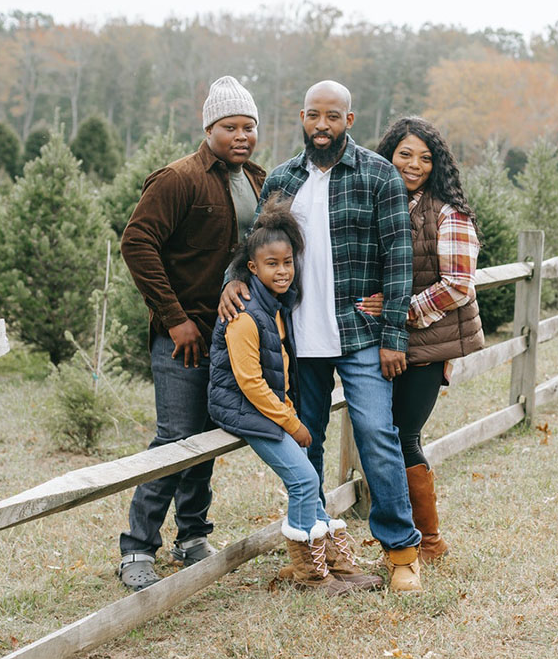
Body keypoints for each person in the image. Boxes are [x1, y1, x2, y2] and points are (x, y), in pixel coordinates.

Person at [219, 80, 424, 592]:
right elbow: (257, 251)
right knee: (304, 440)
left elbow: (399, 261)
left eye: (333, 117)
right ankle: (309, 557)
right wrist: (232, 282)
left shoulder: (379, 176)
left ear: (349, 121)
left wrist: (393, 334)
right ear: (302, 117)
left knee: (378, 436)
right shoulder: (282, 180)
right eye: (314, 115)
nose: (322, 125)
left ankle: (402, 552)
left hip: (359, 334)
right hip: (296, 340)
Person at [116, 76, 266, 592]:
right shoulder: (178, 179)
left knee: (207, 439)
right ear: (209, 128)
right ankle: (137, 547)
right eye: (230, 126)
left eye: (249, 126)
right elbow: (137, 244)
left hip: (230, 337)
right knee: (175, 438)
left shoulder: (258, 180)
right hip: (183, 336)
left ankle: (193, 537)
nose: (241, 135)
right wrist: (175, 318)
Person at [207, 196, 381, 595]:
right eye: (272, 264)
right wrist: (293, 422)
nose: (283, 271)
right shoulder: (244, 314)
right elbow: (250, 383)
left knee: (308, 477)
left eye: (288, 262)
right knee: (304, 480)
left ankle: (334, 561)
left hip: (271, 408)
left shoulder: (278, 305)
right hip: (245, 409)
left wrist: (287, 413)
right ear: (253, 268)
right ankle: (310, 575)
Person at [362, 116, 483, 562]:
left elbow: (457, 285)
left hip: (424, 343)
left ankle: (428, 541)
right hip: (387, 342)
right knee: (382, 433)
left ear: (438, 167)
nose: (414, 165)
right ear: (387, 155)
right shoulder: (382, 203)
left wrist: (400, 312)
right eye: (405, 154)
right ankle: (401, 534)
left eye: (425, 158)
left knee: (402, 435)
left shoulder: (446, 213)